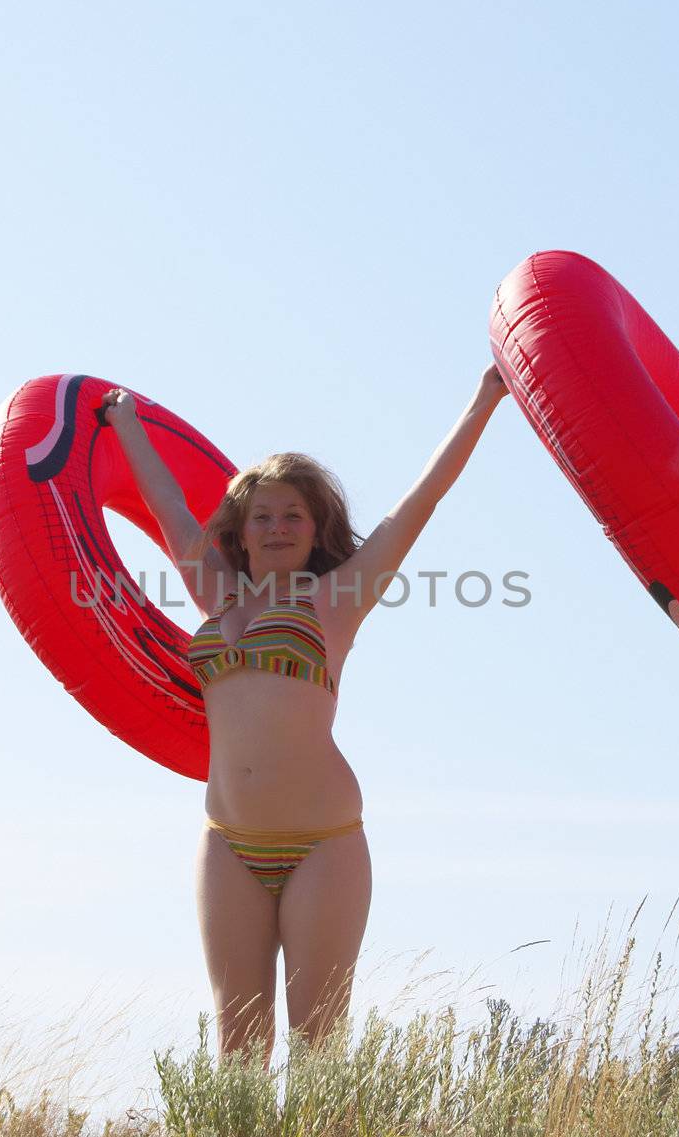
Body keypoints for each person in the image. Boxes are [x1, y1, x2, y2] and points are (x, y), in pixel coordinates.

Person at [101, 363, 510, 1069]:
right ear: (241, 528)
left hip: (324, 843)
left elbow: (419, 503)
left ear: (316, 528)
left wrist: (485, 399)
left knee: (318, 1046)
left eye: (294, 514)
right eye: (262, 515)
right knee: (237, 1049)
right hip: (228, 842)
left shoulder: (336, 601)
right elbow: (166, 508)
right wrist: (125, 422)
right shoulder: (217, 593)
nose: (277, 526)